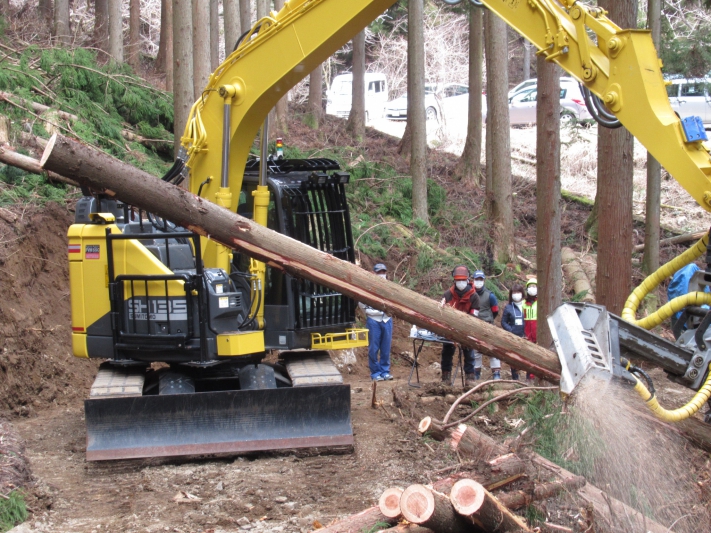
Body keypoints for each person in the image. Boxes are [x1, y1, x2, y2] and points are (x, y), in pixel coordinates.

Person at [439, 265, 480, 386]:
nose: (461, 282)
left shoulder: (474, 297)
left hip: (467, 330)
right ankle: (445, 378)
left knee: (469, 353)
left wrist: (465, 327)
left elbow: (474, 316)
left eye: (463, 280)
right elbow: (442, 312)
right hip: (450, 329)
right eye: (458, 280)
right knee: (447, 353)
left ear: (467, 280)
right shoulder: (448, 295)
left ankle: (470, 378)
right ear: (454, 281)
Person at [359, 263, 393, 382]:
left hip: (387, 319)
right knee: (373, 348)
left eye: (383, 272)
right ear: (374, 273)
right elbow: (361, 302)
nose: (381, 275)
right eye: (379, 272)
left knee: (386, 348)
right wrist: (368, 313)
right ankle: (375, 372)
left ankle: (385, 371)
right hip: (374, 320)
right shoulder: (368, 287)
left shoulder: (390, 287)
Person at [471, 270, 501, 380]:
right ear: (473, 280)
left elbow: (495, 311)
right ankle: (476, 374)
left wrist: (488, 319)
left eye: (480, 280)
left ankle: (496, 374)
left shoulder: (490, 295)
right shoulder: (470, 295)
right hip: (474, 326)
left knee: (492, 350)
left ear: (483, 281)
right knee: (476, 352)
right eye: (476, 279)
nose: (478, 282)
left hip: (488, 326)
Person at [501, 283, 525, 380]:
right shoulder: (508, 307)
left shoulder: (527, 305)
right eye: (514, 292)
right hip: (513, 337)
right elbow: (503, 322)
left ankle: (529, 378)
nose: (516, 294)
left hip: (526, 336)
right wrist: (510, 330)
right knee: (514, 358)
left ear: (522, 293)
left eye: (518, 292)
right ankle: (515, 379)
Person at [523, 278, 538, 383]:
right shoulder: (524, 303)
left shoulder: (540, 303)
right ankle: (529, 376)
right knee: (528, 356)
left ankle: (535, 376)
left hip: (537, 332)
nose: (532, 289)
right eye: (530, 287)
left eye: (534, 286)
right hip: (527, 332)